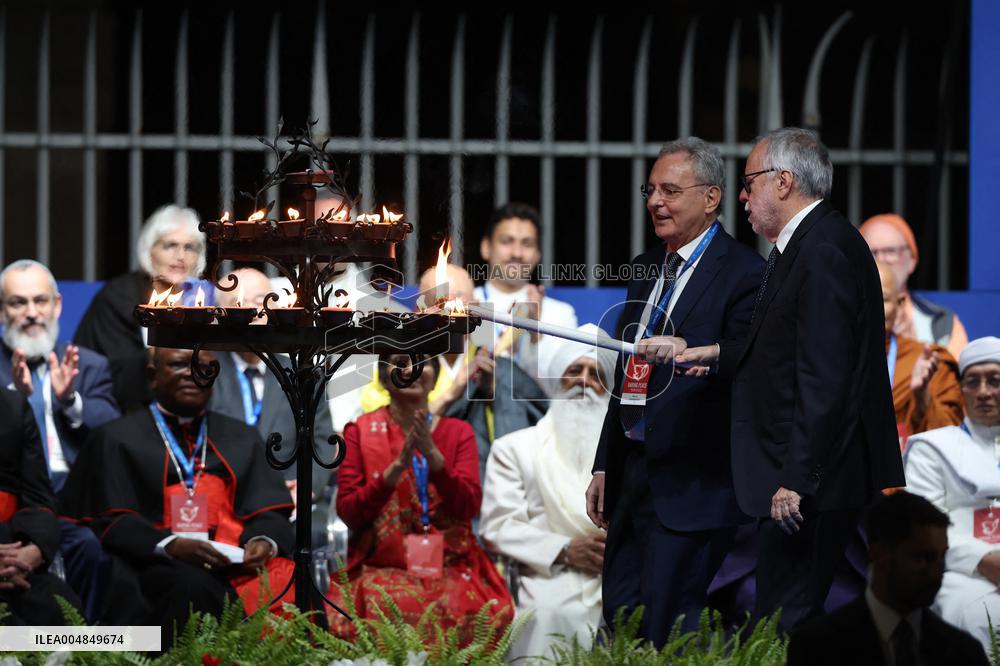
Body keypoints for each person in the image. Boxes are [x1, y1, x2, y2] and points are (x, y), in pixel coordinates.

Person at [675, 127, 904, 631]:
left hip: (811, 485)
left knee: (785, 623)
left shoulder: (822, 249)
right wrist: (714, 354)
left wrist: (797, 480)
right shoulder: (805, 245)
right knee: (781, 619)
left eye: (749, 181)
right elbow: (782, 352)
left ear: (783, 181)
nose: (741, 196)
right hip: (806, 477)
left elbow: (826, 378)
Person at [585, 137, 763, 644]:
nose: (655, 202)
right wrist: (605, 462)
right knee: (619, 622)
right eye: (651, 190)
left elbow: (746, 366)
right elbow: (627, 374)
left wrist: (693, 350)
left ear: (711, 198)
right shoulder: (644, 268)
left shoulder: (746, 273)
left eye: (670, 190)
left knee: (670, 632)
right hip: (632, 475)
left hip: (693, 484)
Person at [60, 347, 305, 648]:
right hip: (150, 563)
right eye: (178, 364)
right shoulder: (116, 438)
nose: (192, 374)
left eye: (203, 367)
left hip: (234, 562)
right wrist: (170, 545)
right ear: (153, 376)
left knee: (294, 579)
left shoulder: (242, 436)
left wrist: (264, 541)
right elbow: (110, 520)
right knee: (188, 584)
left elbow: (271, 511)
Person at [331, 353, 513, 642]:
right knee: (388, 605)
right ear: (382, 379)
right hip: (380, 564)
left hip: (452, 562)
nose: (411, 370)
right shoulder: (361, 432)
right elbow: (349, 513)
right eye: (400, 362)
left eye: (423, 362)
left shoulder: (458, 432)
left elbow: (467, 507)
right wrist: (394, 470)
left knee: (473, 607)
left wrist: (434, 458)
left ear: (435, 380)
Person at [480, 326, 616, 661]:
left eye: (596, 374)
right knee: (549, 612)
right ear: (558, 381)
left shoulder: (624, 461)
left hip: (614, 571)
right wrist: (566, 550)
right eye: (574, 371)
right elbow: (498, 526)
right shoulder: (515, 448)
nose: (584, 381)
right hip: (551, 571)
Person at [0, 259, 119, 622]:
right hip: (14, 505)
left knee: (90, 549)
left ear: (58, 305)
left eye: (41, 301)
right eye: (18, 303)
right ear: (2, 310)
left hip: (75, 502)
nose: (32, 312)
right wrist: (14, 399)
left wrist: (70, 400)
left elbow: (114, 435)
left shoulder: (89, 364)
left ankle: (93, 650)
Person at [787, 492, 988, 666]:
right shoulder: (817, 648)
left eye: (940, 558)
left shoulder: (964, 652)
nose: (935, 572)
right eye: (921, 558)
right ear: (880, 554)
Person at [902, 336, 1000, 651]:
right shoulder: (932, 448)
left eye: (994, 381)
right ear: (961, 389)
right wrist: (983, 559)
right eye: (973, 381)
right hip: (958, 573)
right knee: (976, 616)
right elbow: (922, 528)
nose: (984, 391)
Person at [208, 267, 336, 499]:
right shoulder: (205, 372)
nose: (252, 311)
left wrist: (305, 488)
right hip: (221, 498)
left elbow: (322, 440)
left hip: (287, 498)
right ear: (218, 315)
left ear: (276, 310)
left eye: (260, 301)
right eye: (238, 303)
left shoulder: (301, 371)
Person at [74, 204, 207, 412]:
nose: (181, 255)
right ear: (149, 250)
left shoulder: (203, 299)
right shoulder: (118, 297)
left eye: (190, 247)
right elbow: (118, 372)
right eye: (170, 245)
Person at [0, 387, 82, 624]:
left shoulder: (12, 404)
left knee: (58, 606)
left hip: (12, 556)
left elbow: (38, 496)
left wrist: (34, 550)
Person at [474, 202, 577, 391]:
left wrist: (536, 332)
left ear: (538, 254)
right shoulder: (466, 304)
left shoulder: (559, 314)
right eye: (506, 241)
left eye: (527, 244)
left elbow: (561, 389)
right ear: (486, 247)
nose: (517, 253)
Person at [876, 261, 963, 445]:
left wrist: (922, 397)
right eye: (863, 298)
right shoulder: (830, 362)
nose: (872, 308)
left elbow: (953, 438)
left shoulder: (926, 360)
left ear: (900, 304)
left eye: (882, 299)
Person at [861, 213, 968, 359]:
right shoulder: (840, 317)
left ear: (912, 260)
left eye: (891, 251)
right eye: (870, 253)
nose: (881, 259)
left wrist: (909, 346)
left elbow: (953, 377)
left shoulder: (942, 324)